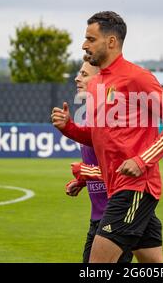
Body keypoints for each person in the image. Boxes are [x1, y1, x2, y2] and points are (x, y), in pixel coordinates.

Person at [52, 11, 163, 263]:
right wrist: (68, 127)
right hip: (117, 188)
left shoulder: (137, 77)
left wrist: (141, 160)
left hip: (135, 188)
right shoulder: (96, 84)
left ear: (111, 41)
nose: (84, 45)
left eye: (90, 39)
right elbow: (99, 137)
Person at [58, 60, 132, 263]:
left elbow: (125, 171)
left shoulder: (114, 117)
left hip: (118, 211)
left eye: (84, 74)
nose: (77, 78)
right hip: (100, 214)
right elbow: (101, 162)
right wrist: (82, 181)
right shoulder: (90, 115)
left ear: (100, 79)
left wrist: (86, 172)